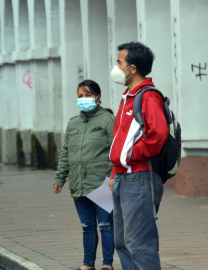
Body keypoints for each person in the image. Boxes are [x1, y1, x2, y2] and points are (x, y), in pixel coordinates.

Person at [108, 42, 168, 270]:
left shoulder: (148, 96)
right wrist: (116, 171)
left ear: (132, 68)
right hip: (123, 178)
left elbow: (158, 134)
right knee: (122, 242)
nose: (115, 67)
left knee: (139, 243)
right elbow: (119, 140)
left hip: (139, 178)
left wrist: (132, 155)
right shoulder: (128, 97)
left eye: (119, 62)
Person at [53, 80, 116, 270]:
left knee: (105, 225)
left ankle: (107, 264)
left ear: (98, 97)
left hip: (102, 182)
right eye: (80, 96)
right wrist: (60, 178)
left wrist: (114, 176)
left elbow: (117, 149)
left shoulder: (107, 120)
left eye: (88, 95)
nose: (84, 99)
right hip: (79, 182)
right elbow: (66, 153)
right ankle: (88, 264)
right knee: (87, 226)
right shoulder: (73, 124)